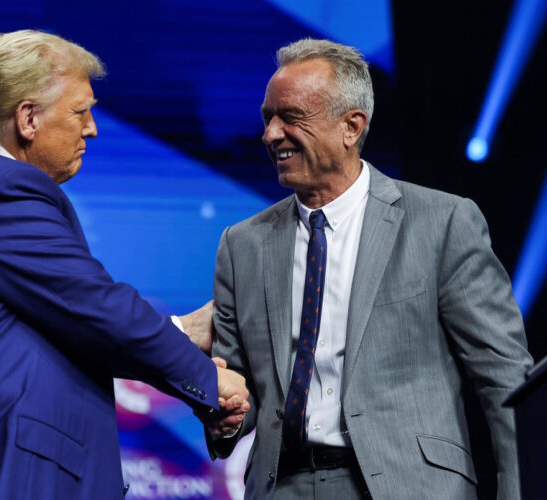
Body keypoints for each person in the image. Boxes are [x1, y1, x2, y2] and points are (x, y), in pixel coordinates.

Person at [0, 30, 249, 499]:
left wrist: (181, 331)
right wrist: (208, 379)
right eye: (80, 112)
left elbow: (57, 324)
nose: (92, 128)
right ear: (28, 118)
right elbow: (93, 306)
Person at [206, 38, 532, 499]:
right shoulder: (242, 245)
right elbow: (235, 384)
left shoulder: (441, 222)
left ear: (351, 126)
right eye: (267, 118)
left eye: (290, 117)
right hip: (283, 487)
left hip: (411, 485)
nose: (271, 134)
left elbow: (504, 377)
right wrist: (224, 414)